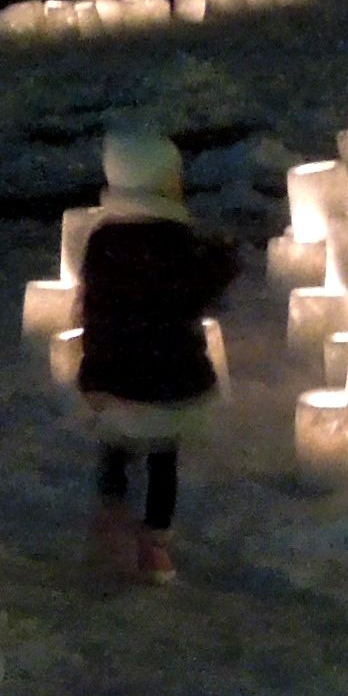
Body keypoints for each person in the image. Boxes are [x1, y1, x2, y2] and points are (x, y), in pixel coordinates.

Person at [77, 124, 233, 584]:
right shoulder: (177, 243)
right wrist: (221, 261)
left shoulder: (104, 241)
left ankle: (112, 519)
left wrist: (93, 366)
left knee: (115, 446)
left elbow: (94, 308)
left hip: (116, 371)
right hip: (169, 374)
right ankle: (154, 543)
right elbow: (195, 293)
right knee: (164, 459)